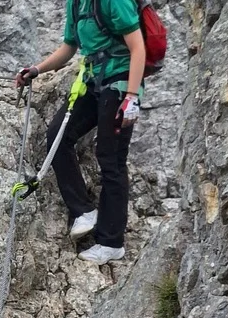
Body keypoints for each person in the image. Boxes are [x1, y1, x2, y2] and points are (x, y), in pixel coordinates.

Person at [14, 0, 147, 265]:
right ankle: (84, 211)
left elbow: (137, 47)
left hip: (120, 83)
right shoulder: (76, 4)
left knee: (111, 159)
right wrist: (36, 70)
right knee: (58, 136)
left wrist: (131, 97)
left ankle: (112, 242)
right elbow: (69, 48)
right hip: (92, 81)